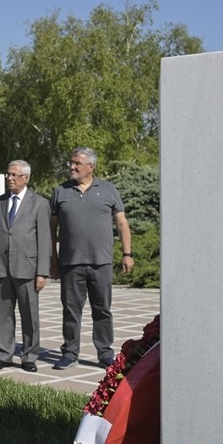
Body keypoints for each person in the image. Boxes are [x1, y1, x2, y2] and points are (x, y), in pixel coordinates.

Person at [49, 147, 134, 369]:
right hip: (70, 263)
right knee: (70, 310)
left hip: (101, 262)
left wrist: (127, 254)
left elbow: (122, 222)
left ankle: (105, 353)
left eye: (77, 163)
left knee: (102, 310)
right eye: (71, 162)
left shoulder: (108, 190)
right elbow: (52, 229)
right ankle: (69, 353)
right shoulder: (60, 191)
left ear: (91, 167)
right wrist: (53, 259)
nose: (72, 166)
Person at [0, 160, 51, 372]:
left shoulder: (39, 203)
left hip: (28, 270)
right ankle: (4, 354)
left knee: (30, 316)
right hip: (2, 268)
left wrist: (42, 272)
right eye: (8, 174)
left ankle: (29, 356)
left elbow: (44, 240)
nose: (10, 178)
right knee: (2, 315)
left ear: (26, 178)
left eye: (14, 175)